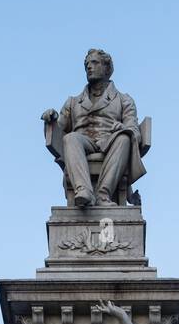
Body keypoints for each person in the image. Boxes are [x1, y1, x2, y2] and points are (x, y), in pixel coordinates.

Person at [41, 49, 145, 208]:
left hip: (111, 142)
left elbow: (134, 131)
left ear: (107, 69)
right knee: (70, 138)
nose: (89, 67)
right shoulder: (73, 102)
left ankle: (104, 195)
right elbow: (58, 135)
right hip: (84, 143)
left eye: (94, 63)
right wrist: (50, 121)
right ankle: (84, 191)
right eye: (87, 64)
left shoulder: (124, 100)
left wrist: (124, 128)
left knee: (125, 138)